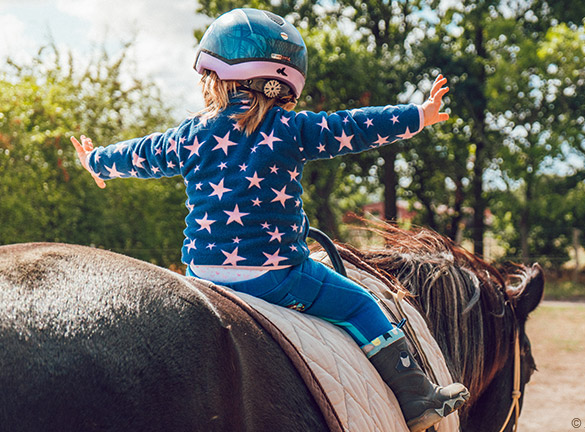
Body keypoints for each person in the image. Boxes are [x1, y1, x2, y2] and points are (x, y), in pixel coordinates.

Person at [71, 8, 468, 431]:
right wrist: (418, 116)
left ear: (214, 77)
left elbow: (143, 154)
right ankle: (417, 398)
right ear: (285, 84)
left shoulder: (190, 133)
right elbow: (354, 126)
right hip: (275, 276)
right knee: (359, 303)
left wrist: (97, 162)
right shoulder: (290, 128)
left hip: (201, 276)